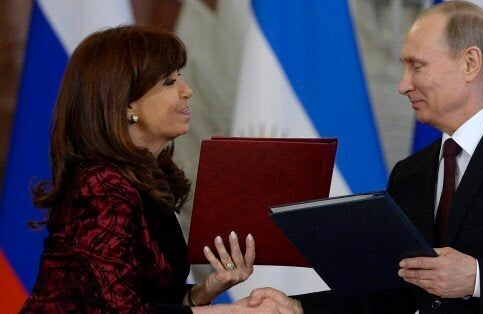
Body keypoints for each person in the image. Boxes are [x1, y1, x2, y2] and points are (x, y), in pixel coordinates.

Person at [247, 1, 483, 313]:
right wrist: (297, 307)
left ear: (471, 63)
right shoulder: (411, 172)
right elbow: (392, 290)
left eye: (417, 66)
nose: (403, 84)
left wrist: (476, 278)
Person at [20, 25, 294, 313]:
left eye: (180, 77)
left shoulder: (145, 175)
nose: (187, 90)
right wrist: (233, 311)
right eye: (168, 82)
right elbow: (116, 310)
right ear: (125, 103)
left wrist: (208, 289)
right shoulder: (100, 183)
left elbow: (149, 299)